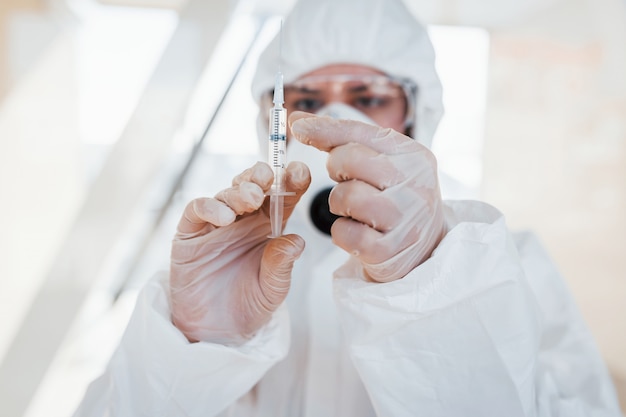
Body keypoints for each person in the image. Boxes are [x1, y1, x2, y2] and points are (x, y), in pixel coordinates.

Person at [74, 0, 622, 415]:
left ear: (416, 113)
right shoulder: (221, 257)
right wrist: (197, 347)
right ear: (272, 119)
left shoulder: (497, 260)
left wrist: (435, 289)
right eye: (306, 102)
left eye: (368, 98)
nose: (332, 116)